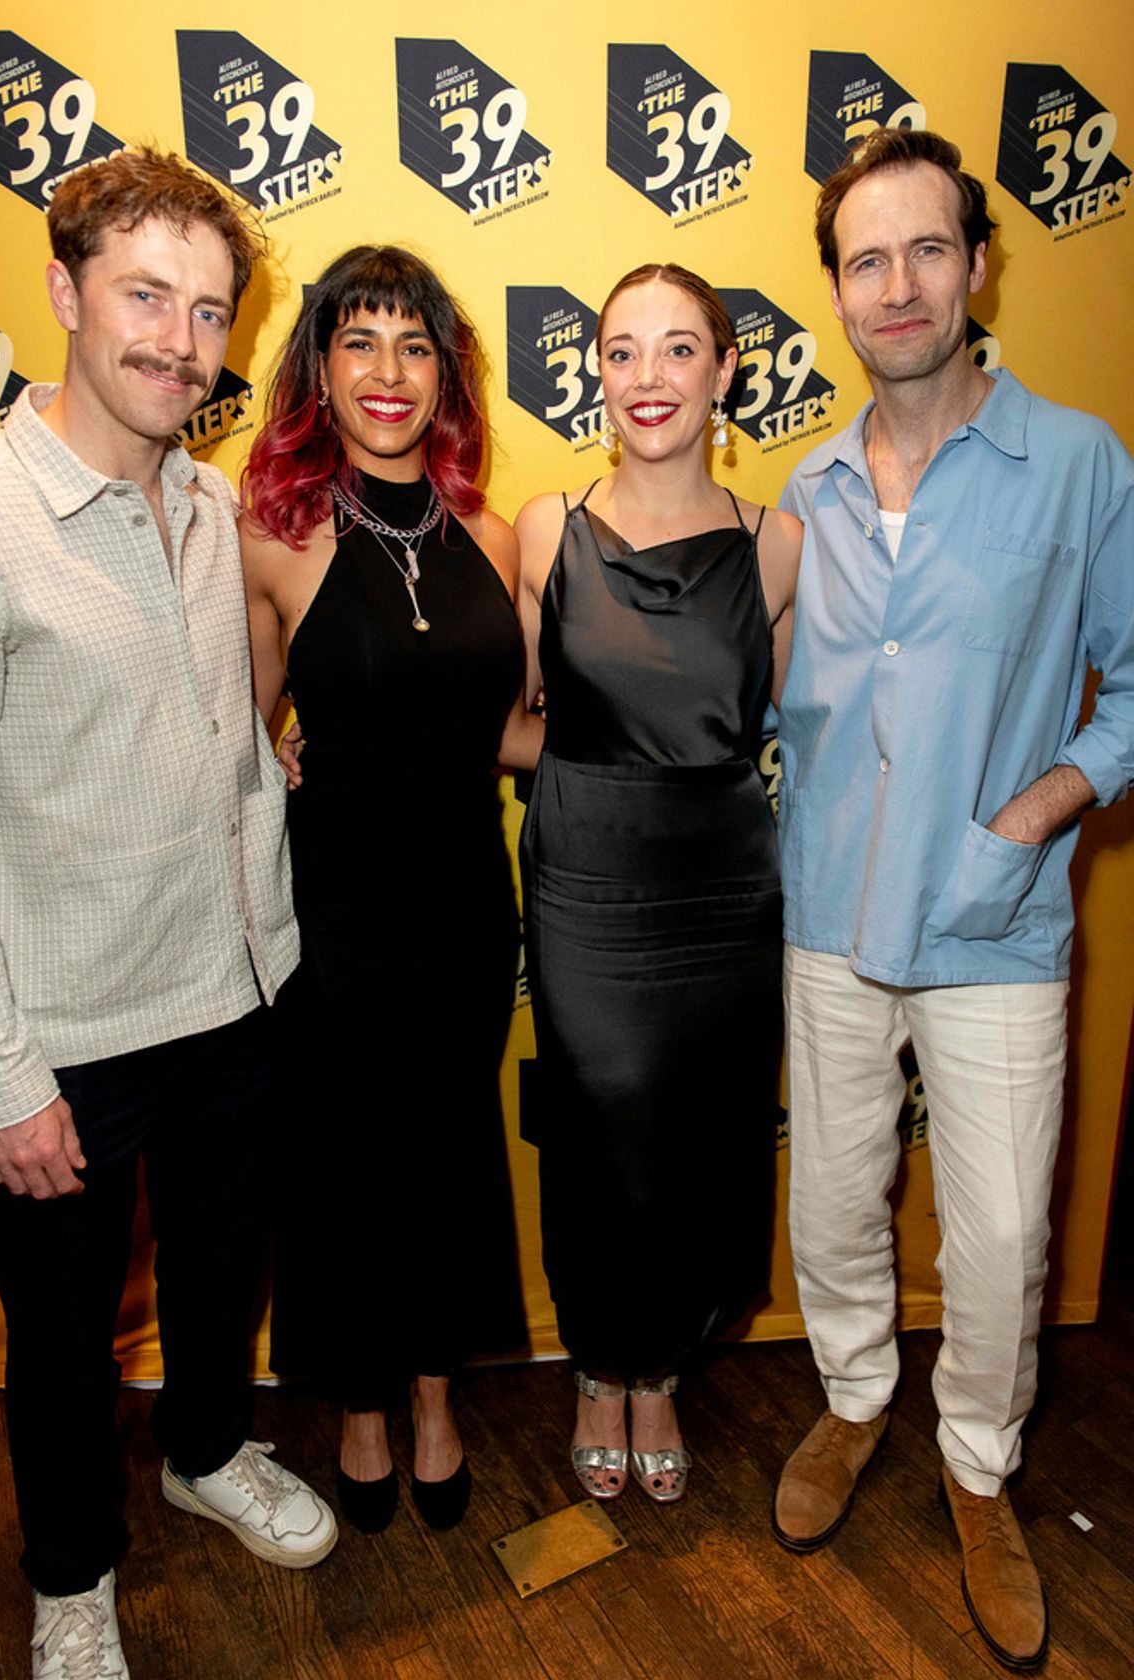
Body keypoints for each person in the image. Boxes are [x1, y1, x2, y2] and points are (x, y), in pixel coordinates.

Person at [0, 150, 337, 1680]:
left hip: (235, 994)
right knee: (58, 1342)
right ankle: (67, 1576)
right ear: (64, 292)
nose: (179, 339)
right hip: (68, 1035)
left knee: (226, 1269)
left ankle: (208, 1450)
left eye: (210, 310)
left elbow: (200, 729)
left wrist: (264, 765)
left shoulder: (207, 492)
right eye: (145, 296)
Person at [772, 127, 1134, 1671]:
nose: (899, 284)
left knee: (995, 1240)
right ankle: (857, 1399)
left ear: (979, 266)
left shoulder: (1081, 461)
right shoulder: (810, 484)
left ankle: (979, 1467)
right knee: (835, 1202)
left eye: (929, 249)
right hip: (830, 924)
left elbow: (1131, 694)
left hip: (996, 918)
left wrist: (1039, 809)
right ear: (838, 294)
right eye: (867, 259)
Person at [240, 245, 540, 1536]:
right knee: (346, 1167)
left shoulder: (489, 529)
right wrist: (282, 745)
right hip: (337, 913)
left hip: (471, 906)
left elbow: (513, 731)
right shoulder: (278, 536)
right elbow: (242, 728)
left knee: (447, 1157)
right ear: (320, 367)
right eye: (358, 341)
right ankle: (361, 1406)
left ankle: (433, 1394)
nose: (387, 371)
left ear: (445, 373)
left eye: (413, 345)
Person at [516, 264, 800, 1505]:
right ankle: (598, 1365)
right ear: (596, 371)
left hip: (722, 880)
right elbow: (504, 717)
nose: (648, 378)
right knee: (598, 1125)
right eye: (622, 351)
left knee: (699, 1131)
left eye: (678, 350)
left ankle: (661, 1371)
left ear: (725, 372)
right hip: (583, 870)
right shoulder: (543, 527)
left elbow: (800, 717)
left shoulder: (776, 541)